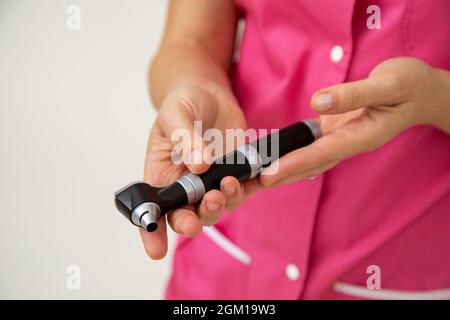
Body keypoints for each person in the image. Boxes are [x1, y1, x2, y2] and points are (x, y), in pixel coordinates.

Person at [140, 0, 450, 299]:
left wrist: (433, 96)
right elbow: (190, 41)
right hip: (224, 264)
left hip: (398, 269)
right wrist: (197, 88)